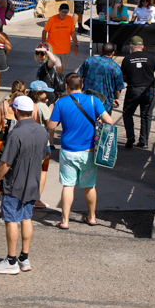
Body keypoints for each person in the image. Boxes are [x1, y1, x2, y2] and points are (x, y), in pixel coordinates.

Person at [0, 95, 50, 275]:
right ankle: (24, 258)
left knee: (11, 220)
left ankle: (11, 261)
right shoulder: (42, 131)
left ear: (15, 111)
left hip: (14, 183)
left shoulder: (15, 134)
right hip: (33, 182)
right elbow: (46, 155)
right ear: (32, 110)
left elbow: (5, 163)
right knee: (26, 218)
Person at [47, 73, 113, 228]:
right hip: (89, 151)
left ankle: (65, 221)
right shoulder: (93, 100)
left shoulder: (61, 102)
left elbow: (51, 126)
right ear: (82, 86)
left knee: (68, 185)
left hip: (68, 151)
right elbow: (109, 121)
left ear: (67, 87)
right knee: (89, 185)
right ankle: (91, 217)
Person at [120, 36, 155, 149]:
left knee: (128, 113)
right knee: (146, 116)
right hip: (149, 91)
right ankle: (143, 141)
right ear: (142, 47)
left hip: (133, 90)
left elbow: (123, 77)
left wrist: (130, 77)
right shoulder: (151, 57)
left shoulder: (127, 59)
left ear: (131, 47)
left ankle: (130, 136)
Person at [77, 42, 124, 113]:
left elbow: (78, 77)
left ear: (101, 50)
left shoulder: (89, 60)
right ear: (113, 53)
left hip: (87, 99)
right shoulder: (115, 67)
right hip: (105, 103)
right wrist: (116, 98)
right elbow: (118, 88)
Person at [41, 4, 77, 73]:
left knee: (61, 68)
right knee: (59, 67)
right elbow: (44, 31)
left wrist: (76, 45)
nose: (64, 14)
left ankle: (58, 81)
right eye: (62, 11)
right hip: (53, 50)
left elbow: (73, 33)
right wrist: (44, 43)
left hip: (65, 50)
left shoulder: (70, 19)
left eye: (66, 12)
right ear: (59, 10)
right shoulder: (52, 19)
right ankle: (57, 83)